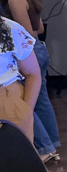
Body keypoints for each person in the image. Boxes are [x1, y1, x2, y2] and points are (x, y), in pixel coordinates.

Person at [0, 0, 59, 160]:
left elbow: (25, 33)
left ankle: (44, 148)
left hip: (27, 52)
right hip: (38, 48)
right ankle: (50, 146)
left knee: (27, 104)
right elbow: (39, 28)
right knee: (40, 100)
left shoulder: (14, 0)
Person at [0, 16, 41, 144]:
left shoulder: (8, 27)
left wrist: (26, 112)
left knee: (14, 153)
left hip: (7, 101)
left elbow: (32, 74)